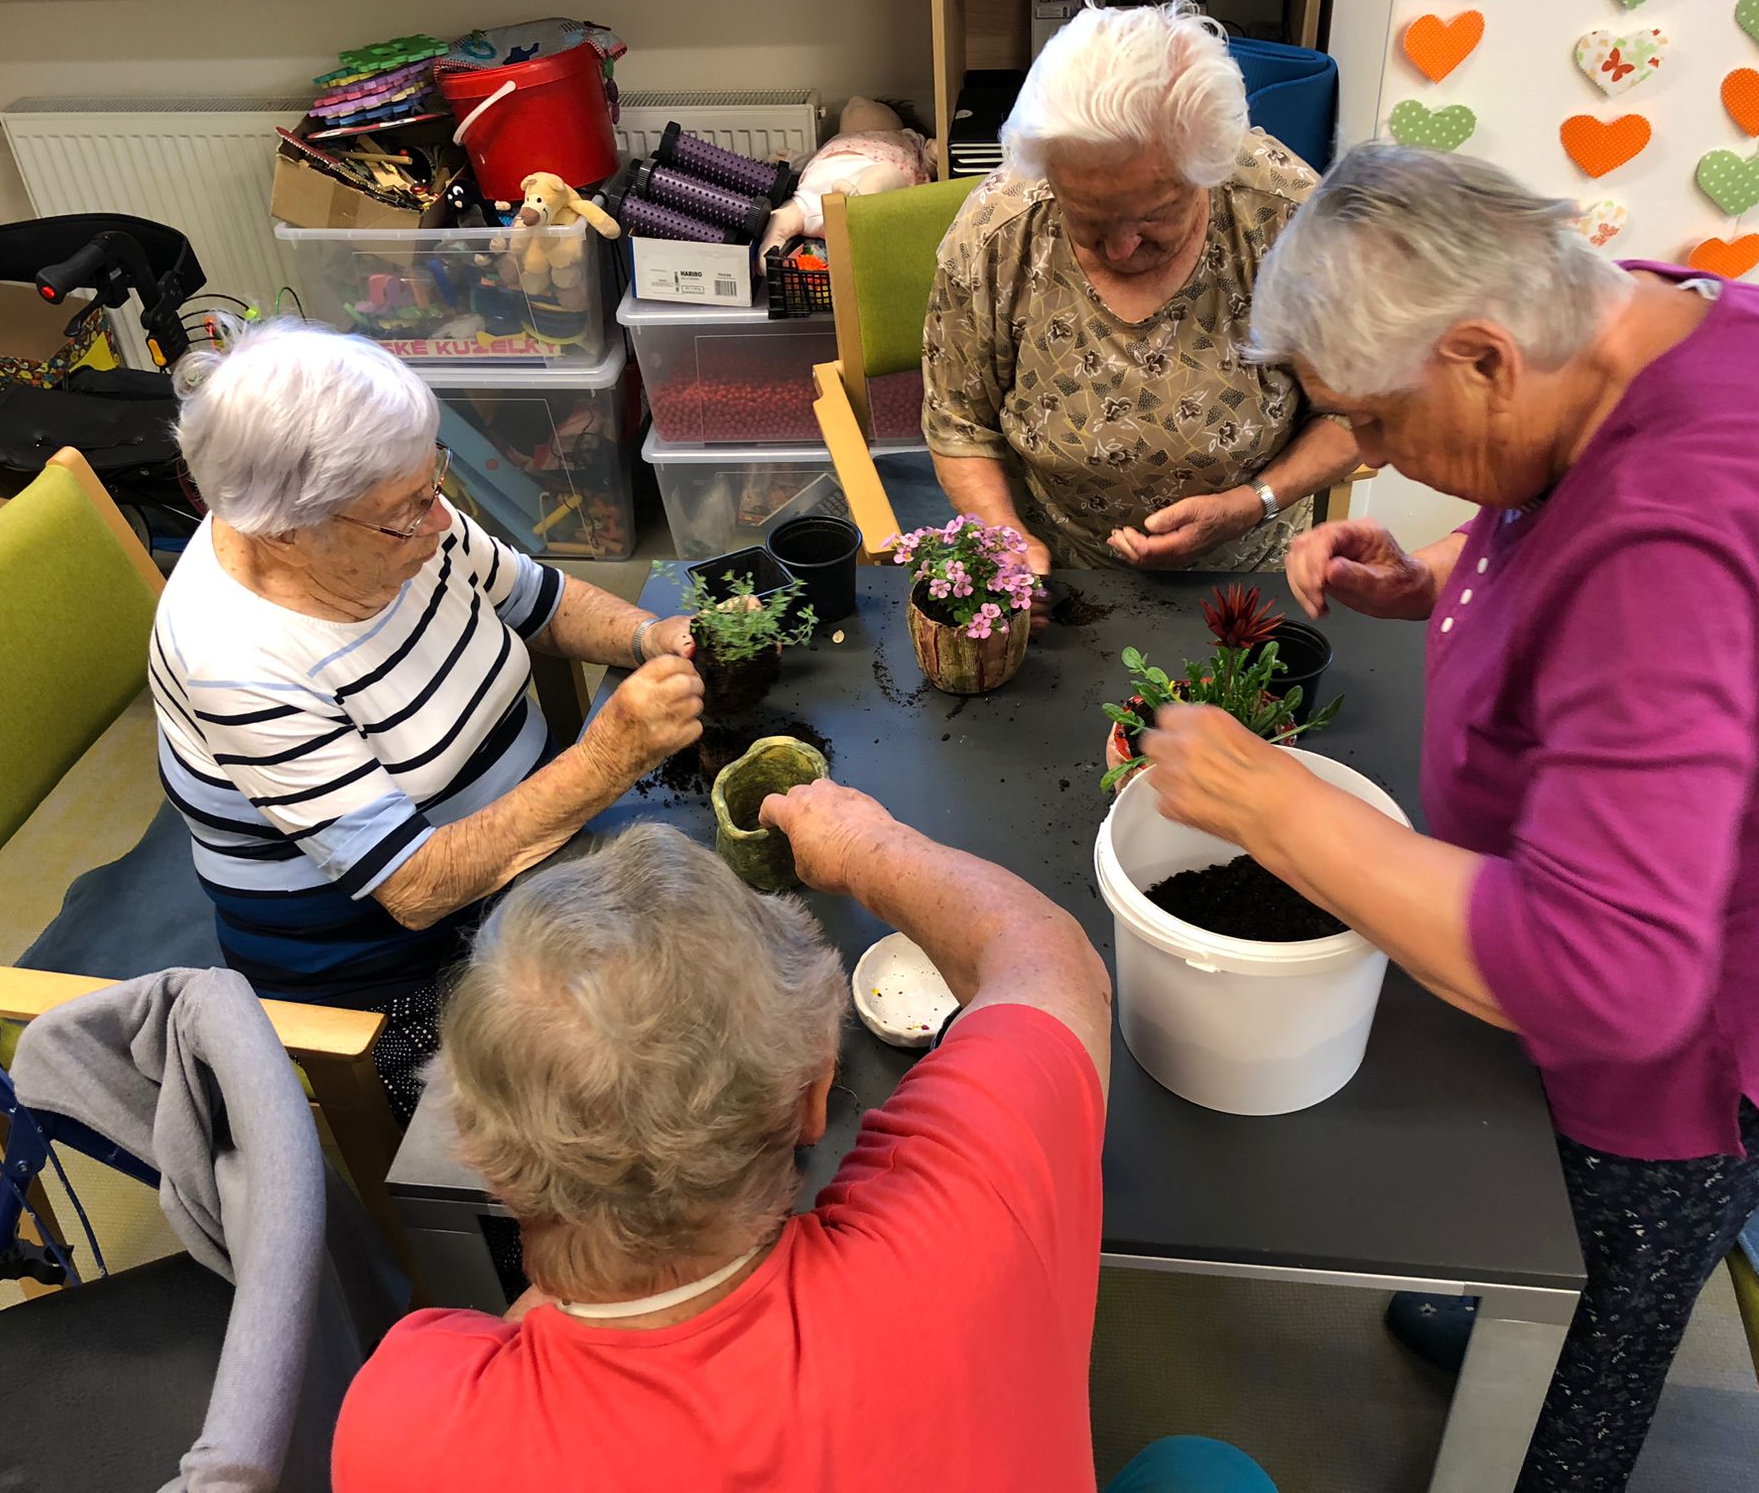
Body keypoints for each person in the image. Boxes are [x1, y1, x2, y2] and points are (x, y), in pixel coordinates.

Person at [1144, 144, 1759, 1491]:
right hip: (1731, 849)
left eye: (1375, 423)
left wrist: (1274, 804)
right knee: (1531, 1238)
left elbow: (1608, 972)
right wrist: (1443, 574)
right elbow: (1604, 535)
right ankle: (1489, 1320)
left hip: (1729, 1006)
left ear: (1483, 356)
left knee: (1594, 1317)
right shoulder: (1653, 318)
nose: (1373, 457)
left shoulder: (1671, 531)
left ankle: (1545, 1427)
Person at [332, 795, 1277, 1493]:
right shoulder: (966, 1227)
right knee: (1207, 1471)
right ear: (815, 1093)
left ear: (477, 1146)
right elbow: (1050, 960)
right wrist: (868, 847)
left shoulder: (403, 1427)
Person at [152, 321, 703, 1118]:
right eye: (409, 508)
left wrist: (648, 635)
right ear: (288, 532)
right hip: (392, 963)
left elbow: (535, 600)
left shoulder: (387, 524)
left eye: (429, 482)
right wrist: (608, 760)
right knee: (609, 1101)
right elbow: (416, 888)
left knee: (712, 961)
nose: (441, 520)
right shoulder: (236, 663)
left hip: (527, 854)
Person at [922, 0, 1359, 581]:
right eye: (1088, 218)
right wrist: (1009, 542)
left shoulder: (1286, 218)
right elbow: (958, 423)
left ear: (1211, 168)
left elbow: (1356, 410)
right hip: (1061, 570)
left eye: (1154, 215)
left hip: (1249, 568)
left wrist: (1253, 502)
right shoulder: (998, 233)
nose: (1121, 249)